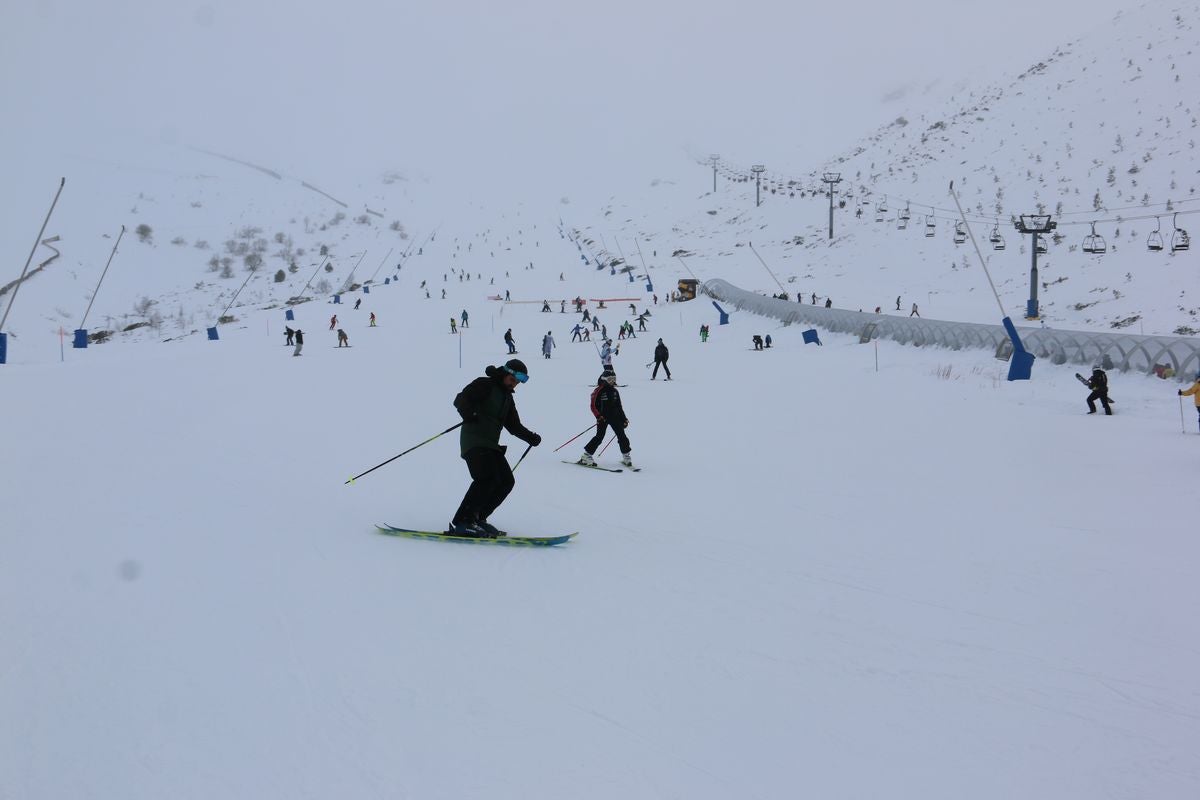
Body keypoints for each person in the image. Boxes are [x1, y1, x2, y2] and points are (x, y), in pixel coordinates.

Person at [449, 359, 542, 537]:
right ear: (507, 373)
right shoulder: (485, 384)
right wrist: (469, 413)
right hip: (474, 440)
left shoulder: (507, 398)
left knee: (507, 481)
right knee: (486, 478)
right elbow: (461, 399)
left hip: (491, 444)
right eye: (514, 379)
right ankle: (463, 521)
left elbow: (514, 426)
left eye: (520, 381)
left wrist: (531, 437)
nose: (516, 383)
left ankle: (477, 518)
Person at [579, 371, 633, 468]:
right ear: (604, 380)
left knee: (622, 436)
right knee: (599, 437)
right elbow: (593, 406)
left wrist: (624, 419)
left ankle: (626, 456)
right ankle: (586, 456)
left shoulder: (615, 391)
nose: (612, 381)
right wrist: (598, 416)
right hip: (602, 418)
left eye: (614, 379)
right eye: (609, 379)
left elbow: (619, 407)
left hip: (615, 418)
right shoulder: (598, 390)